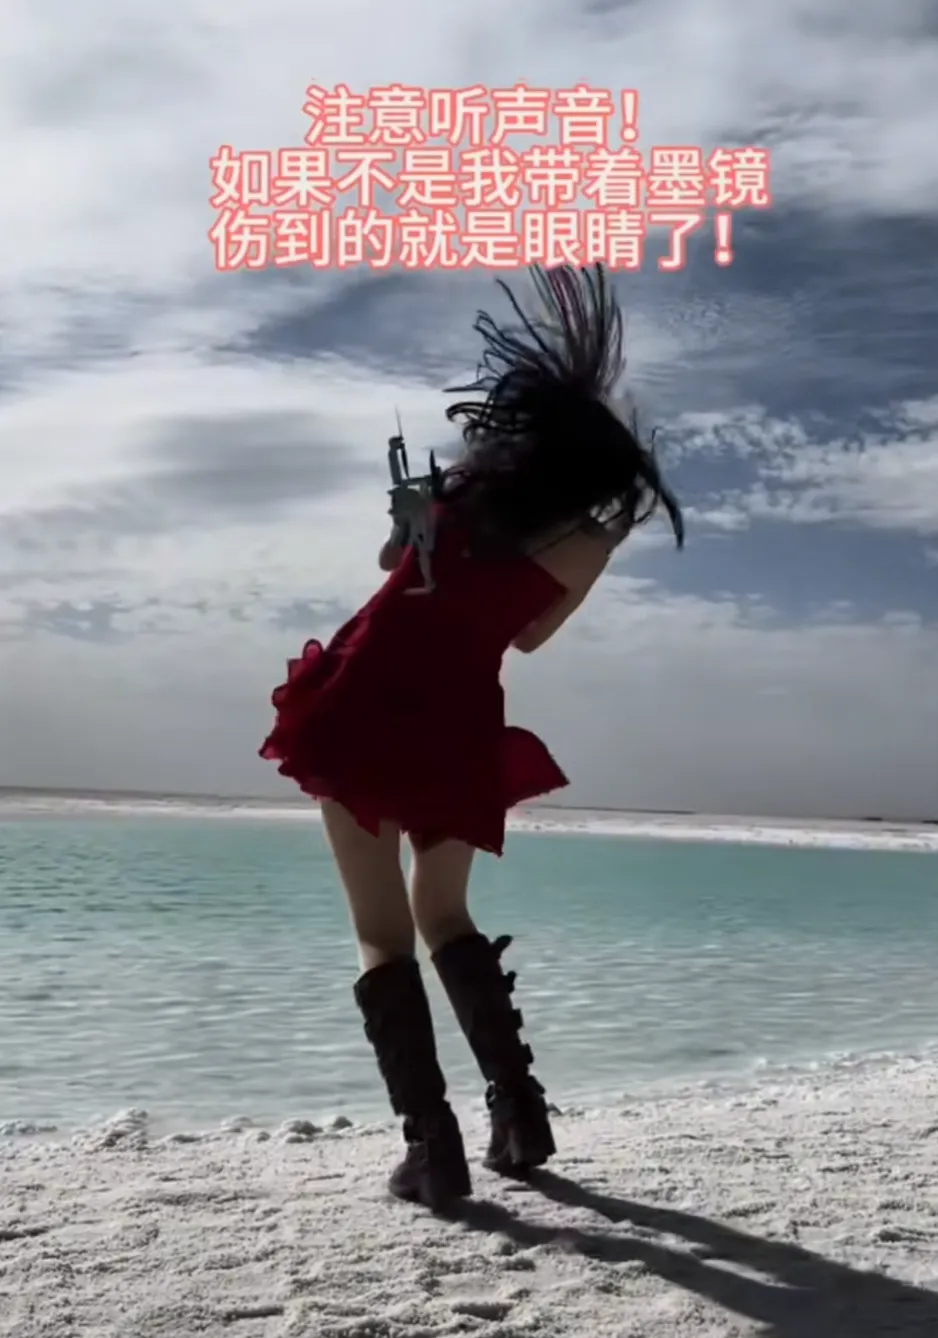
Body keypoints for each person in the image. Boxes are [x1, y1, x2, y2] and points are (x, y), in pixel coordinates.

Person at [259, 263, 684, 1212]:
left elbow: (394, 567)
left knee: (381, 934)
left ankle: (432, 1149)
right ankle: (519, 1115)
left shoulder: (459, 488)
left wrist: (413, 527)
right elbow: (528, 637)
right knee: (442, 912)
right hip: (459, 717)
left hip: (365, 699)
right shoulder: (590, 541)